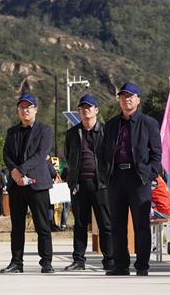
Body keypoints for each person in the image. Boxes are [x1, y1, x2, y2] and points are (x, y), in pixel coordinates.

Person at [99, 82, 162, 276]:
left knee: (141, 224)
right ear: (119, 99)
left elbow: (156, 153)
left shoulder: (148, 123)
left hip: (139, 178)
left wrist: (150, 175)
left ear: (138, 99)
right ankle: (121, 265)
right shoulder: (111, 125)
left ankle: (142, 265)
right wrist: (105, 174)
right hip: (116, 178)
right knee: (117, 224)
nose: (126, 99)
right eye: (123, 96)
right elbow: (102, 152)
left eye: (130, 96)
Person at [0, 93, 54, 274]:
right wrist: (14, 172)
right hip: (17, 185)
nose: (25, 111)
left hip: (37, 184)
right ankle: (16, 262)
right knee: (17, 227)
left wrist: (20, 170)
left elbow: (41, 154)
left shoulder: (45, 130)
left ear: (35, 109)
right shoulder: (12, 132)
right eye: (22, 107)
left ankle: (46, 262)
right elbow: (6, 154)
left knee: (42, 225)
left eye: (28, 107)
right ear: (18, 110)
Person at [63, 94, 114, 271]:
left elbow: (110, 157)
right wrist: (72, 181)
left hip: (101, 184)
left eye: (89, 107)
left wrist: (107, 178)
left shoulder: (106, 131)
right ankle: (78, 260)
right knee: (80, 224)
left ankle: (110, 260)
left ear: (96, 110)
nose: (86, 110)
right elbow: (68, 156)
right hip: (79, 184)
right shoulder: (72, 133)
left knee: (105, 224)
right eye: (82, 107)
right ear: (79, 111)